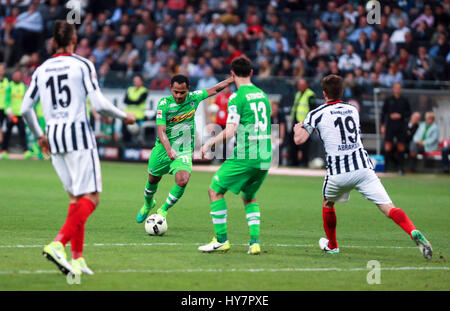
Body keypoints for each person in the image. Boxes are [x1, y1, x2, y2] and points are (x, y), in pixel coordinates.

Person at [20, 20, 136, 276]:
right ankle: (57, 243)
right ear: (74, 41)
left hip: (54, 137)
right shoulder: (82, 64)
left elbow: (25, 109)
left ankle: (78, 259)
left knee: (76, 198)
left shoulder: (41, 69)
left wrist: (40, 136)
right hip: (78, 136)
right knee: (92, 197)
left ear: (53, 42)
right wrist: (124, 116)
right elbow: (100, 104)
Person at [293, 74, 432, 259]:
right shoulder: (353, 110)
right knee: (388, 207)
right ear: (342, 91)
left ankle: (332, 245)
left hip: (338, 173)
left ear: (324, 93)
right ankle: (413, 231)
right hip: (363, 169)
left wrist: (297, 129)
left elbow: (299, 140)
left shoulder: (317, 113)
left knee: (328, 202)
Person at [197, 56, 272, 255]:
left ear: (232, 74)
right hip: (265, 154)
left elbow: (230, 131)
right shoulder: (262, 95)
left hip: (247, 153)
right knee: (249, 196)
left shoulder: (236, 97)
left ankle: (221, 240)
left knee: (214, 190)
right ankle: (254, 243)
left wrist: (209, 143)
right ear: (252, 73)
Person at [135, 74, 234, 223]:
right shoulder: (164, 104)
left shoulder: (194, 97)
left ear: (188, 89)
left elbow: (215, 89)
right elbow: (161, 131)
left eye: (182, 92)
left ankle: (163, 210)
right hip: (163, 149)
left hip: (184, 149)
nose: (179, 96)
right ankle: (149, 203)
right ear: (171, 89)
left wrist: (233, 79)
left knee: (183, 180)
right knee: (152, 180)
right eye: (175, 92)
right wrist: (169, 150)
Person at [381, 83, 411, 174]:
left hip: (401, 126)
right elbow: (383, 113)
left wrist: (400, 115)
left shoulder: (404, 100)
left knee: (401, 146)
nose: (397, 89)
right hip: (390, 125)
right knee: (387, 146)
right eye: (395, 88)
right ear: (393, 89)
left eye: (399, 88)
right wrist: (382, 125)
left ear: (401, 89)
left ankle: (401, 168)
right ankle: (386, 168)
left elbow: (409, 113)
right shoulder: (388, 100)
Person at [1, 70, 30, 159]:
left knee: (22, 132)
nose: (16, 77)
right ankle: (4, 150)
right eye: (15, 75)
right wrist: (9, 112)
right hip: (11, 114)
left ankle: (26, 151)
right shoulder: (9, 86)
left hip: (20, 114)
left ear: (20, 77)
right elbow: (7, 100)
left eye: (18, 75)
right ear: (13, 76)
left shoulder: (23, 87)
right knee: (7, 133)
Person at [290, 79, 316, 166]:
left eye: (302, 85)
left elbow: (312, 109)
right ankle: (294, 161)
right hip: (296, 121)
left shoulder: (310, 95)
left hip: (305, 123)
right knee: (293, 142)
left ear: (306, 86)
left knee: (305, 144)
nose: (299, 87)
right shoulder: (298, 94)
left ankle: (304, 162)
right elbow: (295, 107)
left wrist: (310, 123)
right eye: (299, 85)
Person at [122, 75, 148, 144]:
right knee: (125, 134)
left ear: (141, 82)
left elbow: (139, 101)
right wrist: (134, 101)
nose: (135, 82)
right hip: (127, 116)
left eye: (137, 80)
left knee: (136, 135)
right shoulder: (130, 89)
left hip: (138, 117)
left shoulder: (144, 90)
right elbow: (125, 100)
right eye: (134, 81)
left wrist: (131, 101)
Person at [0, 63, 9, 145]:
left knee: (4, 128)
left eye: (2, 69)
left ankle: (3, 148)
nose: (1, 70)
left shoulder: (6, 82)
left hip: (5, 108)